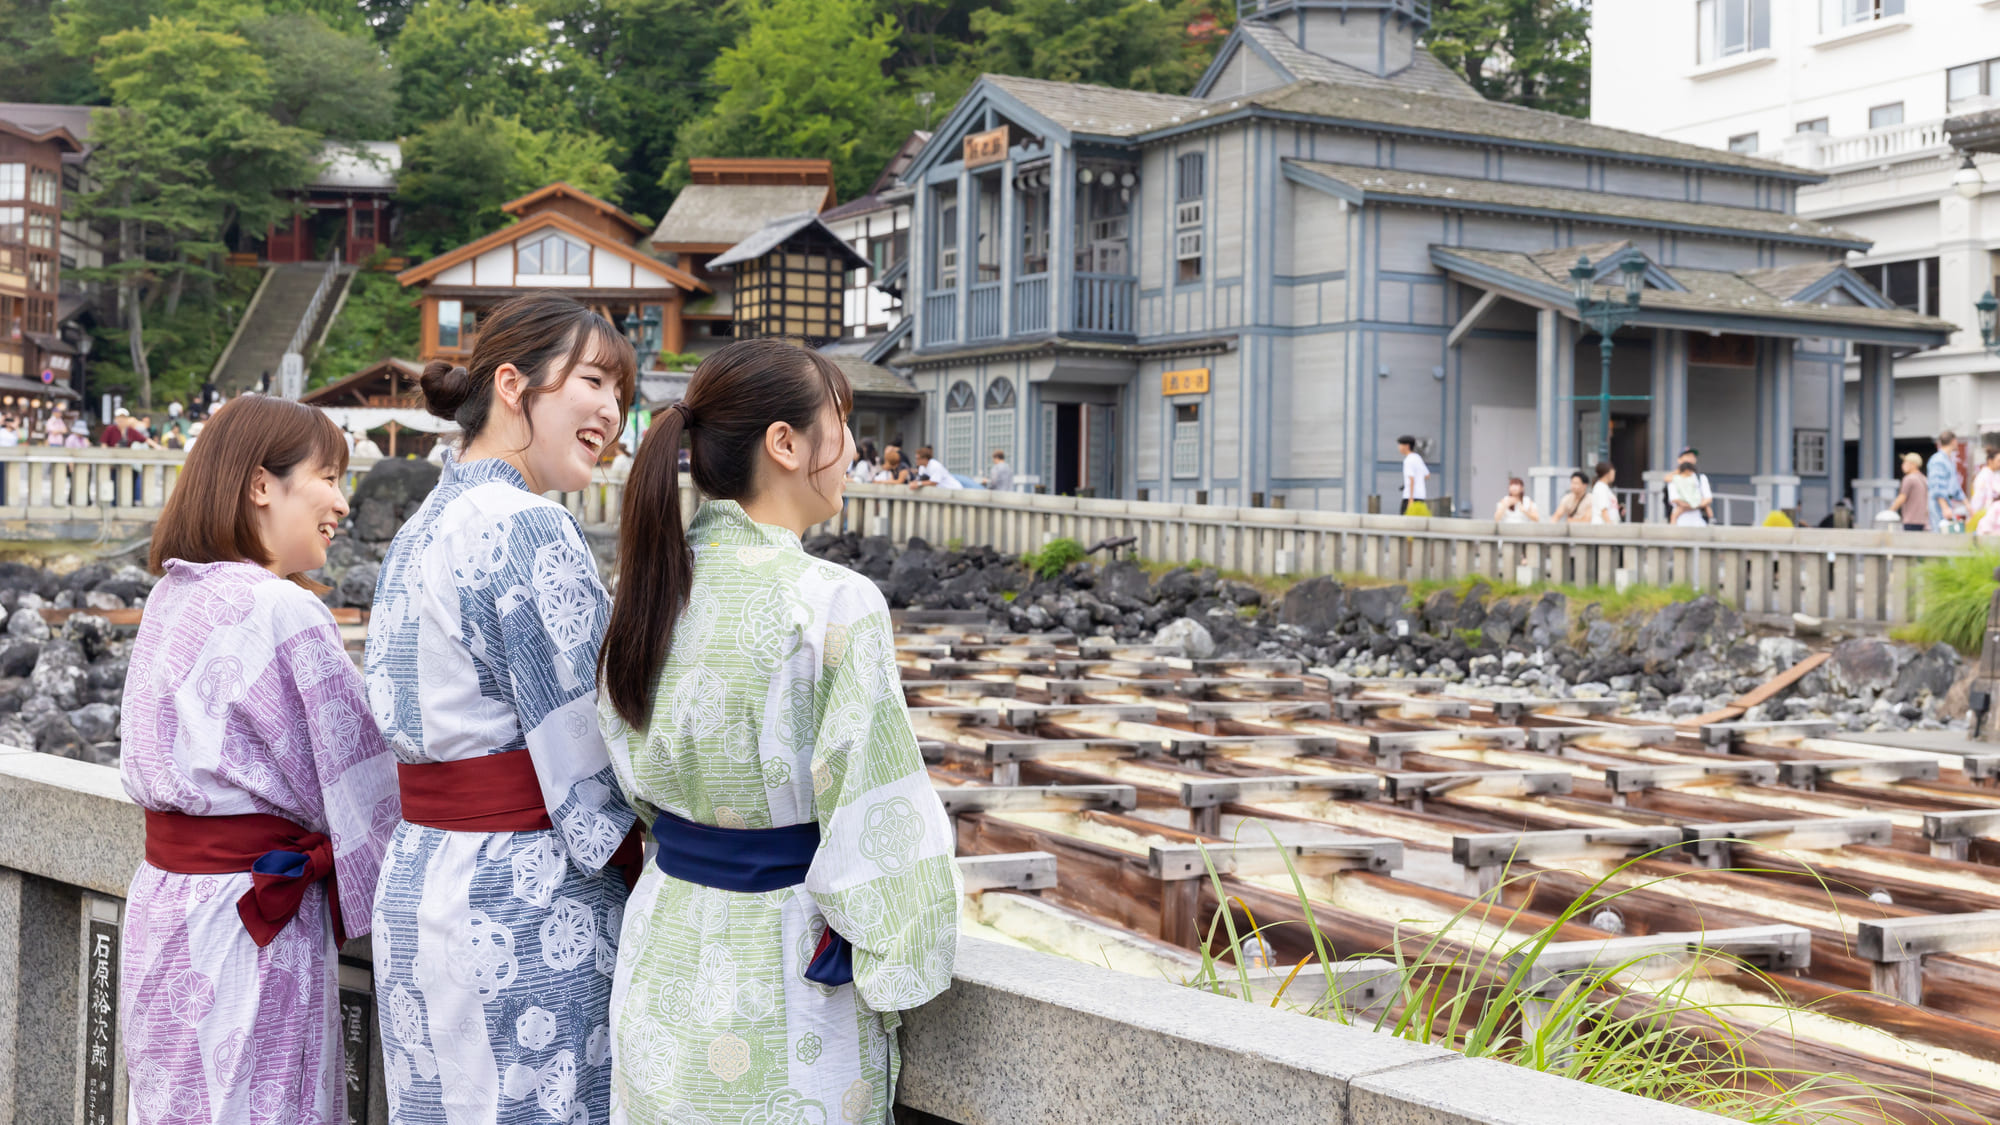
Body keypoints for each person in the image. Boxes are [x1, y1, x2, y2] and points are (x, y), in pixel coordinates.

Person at [597, 337, 959, 1124]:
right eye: (841, 424)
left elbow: (627, 763)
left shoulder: (652, 585)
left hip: (665, 939)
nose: (856, 449)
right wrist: (903, 957)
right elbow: (878, 813)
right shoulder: (834, 601)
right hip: (784, 962)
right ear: (785, 444)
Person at [367, 295, 640, 1125]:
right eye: (592, 379)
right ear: (514, 384)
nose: (612, 410)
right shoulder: (531, 527)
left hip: (419, 879)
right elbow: (593, 749)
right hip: (523, 897)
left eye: (621, 392)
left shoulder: (424, 523)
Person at [118, 394, 399, 1125]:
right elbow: (359, 777)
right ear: (261, 485)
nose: (341, 500)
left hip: (165, 908)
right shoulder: (283, 609)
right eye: (329, 476)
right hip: (250, 923)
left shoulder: (170, 596)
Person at [1929, 429, 1970, 531]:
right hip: (1940, 505)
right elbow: (1937, 486)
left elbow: (1956, 487)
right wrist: (1945, 507)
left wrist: (1968, 505)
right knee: (1940, 534)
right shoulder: (1938, 460)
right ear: (1953, 441)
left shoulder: (1948, 460)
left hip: (1946, 504)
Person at [1889, 451, 1929, 531]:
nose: (1902, 465)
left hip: (1911, 520)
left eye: (1905, 463)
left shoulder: (1909, 478)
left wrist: (1890, 511)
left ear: (1913, 465)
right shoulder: (1924, 479)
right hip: (1924, 520)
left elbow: (1902, 497)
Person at [1667, 455, 1707, 526]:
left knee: (1708, 509)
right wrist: (1690, 505)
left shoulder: (1699, 478)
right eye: (1687, 456)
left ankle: (1712, 520)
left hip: (1697, 519)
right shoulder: (1674, 479)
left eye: (1692, 457)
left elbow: (1707, 499)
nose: (1690, 459)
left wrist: (1692, 505)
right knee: (1674, 515)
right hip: (1680, 517)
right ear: (1679, 460)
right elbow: (1674, 499)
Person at [1397, 435, 1428, 515]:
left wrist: (1411, 500)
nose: (1399, 447)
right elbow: (1427, 475)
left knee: (1405, 523)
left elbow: (1411, 479)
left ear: (1406, 446)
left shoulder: (1408, 460)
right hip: (1421, 497)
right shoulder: (1418, 458)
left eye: (1400, 445)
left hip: (1410, 498)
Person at [1975, 447, 2000, 535]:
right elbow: (1982, 499)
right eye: (1998, 461)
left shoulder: (1994, 475)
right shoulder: (1984, 476)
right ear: (1990, 461)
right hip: (1985, 513)